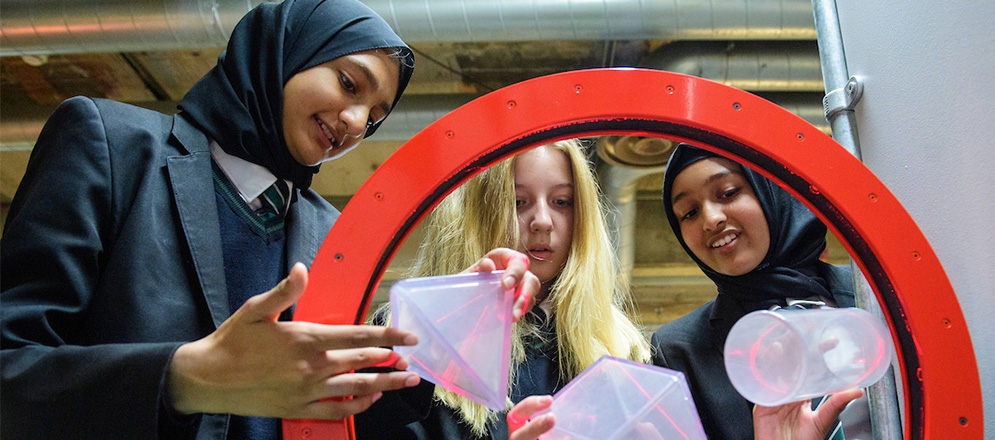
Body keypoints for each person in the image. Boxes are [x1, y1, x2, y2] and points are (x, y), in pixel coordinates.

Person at [0, 1, 537, 439]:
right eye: (350, 84)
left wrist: (441, 323)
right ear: (284, 51)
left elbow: (338, 410)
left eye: (374, 118)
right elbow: (12, 368)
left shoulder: (331, 233)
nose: (354, 123)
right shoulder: (113, 144)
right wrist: (187, 379)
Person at [359, 140, 652, 439]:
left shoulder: (622, 348)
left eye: (562, 202)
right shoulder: (413, 333)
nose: (542, 221)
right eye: (517, 201)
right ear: (479, 214)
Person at [649, 143, 864, 440]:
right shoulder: (680, 350)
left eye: (728, 193)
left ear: (771, 190)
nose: (711, 219)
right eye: (689, 213)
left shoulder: (873, 293)